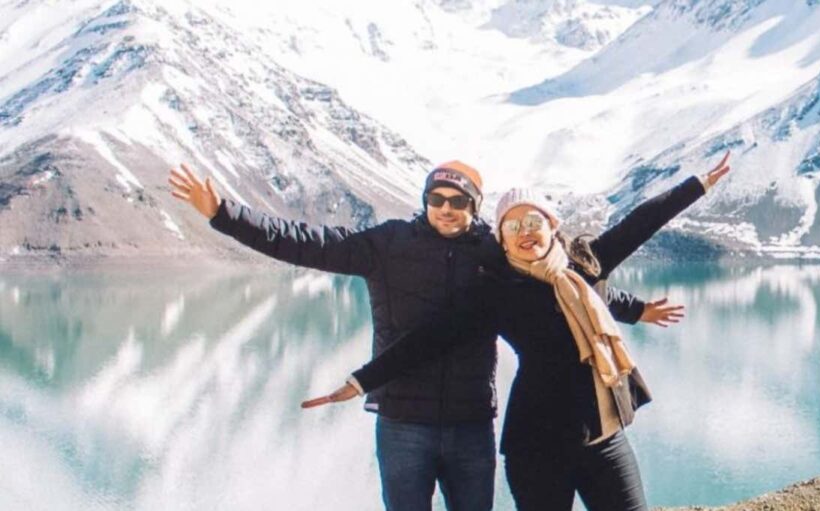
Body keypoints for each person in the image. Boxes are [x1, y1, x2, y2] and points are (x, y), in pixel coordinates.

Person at [167, 162, 677, 511]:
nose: (447, 207)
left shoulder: (494, 254)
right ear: (425, 201)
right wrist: (223, 214)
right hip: (402, 420)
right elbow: (305, 244)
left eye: (459, 200)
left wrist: (635, 309)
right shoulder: (386, 245)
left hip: (471, 420)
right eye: (437, 198)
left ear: (476, 208)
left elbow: (567, 288)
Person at [302, 153, 733, 510]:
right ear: (502, 240)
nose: (525, 233)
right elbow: (426, 340)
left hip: (602, 437)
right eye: (512, 226)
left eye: (533, 223)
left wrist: (696, 186)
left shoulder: (584, 267)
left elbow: (639, 227)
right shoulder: (495, 293)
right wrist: (361, 382)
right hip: (536, 447)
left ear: (552, 228)